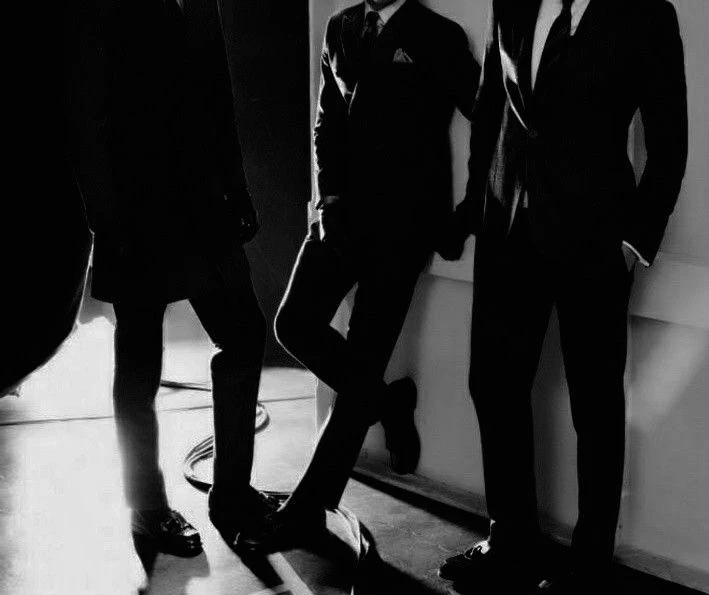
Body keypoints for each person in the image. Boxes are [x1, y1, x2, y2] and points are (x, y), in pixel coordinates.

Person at [439, 0, 688, 595]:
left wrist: (632, 243)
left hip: (595, 244)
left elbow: (669, 141)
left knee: (594, 404)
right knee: (493, 383)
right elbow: (492, 110)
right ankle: (510, 542)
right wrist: (479, 208)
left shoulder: (647, 13)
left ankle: (589, 569)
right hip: (507, 233)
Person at [238, 0, 480, 551]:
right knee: (292, 325)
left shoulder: (438, 35)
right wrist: (328, 200)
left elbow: (491, 116)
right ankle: (387, 402)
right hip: (341, 220)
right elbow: (327, 121)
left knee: (362, 362)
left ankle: (307, 511)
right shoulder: (340, 26)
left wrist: (467, 212)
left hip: (405, 229)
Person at [66, 0, 271, 557]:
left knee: (245, 335)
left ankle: (231, 494)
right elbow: (84, 121)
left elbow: (219, 100)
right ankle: (147, 508)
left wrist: (238, 190)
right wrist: (108, 223)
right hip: (137, 218)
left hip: (206, 212)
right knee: (140, 366)